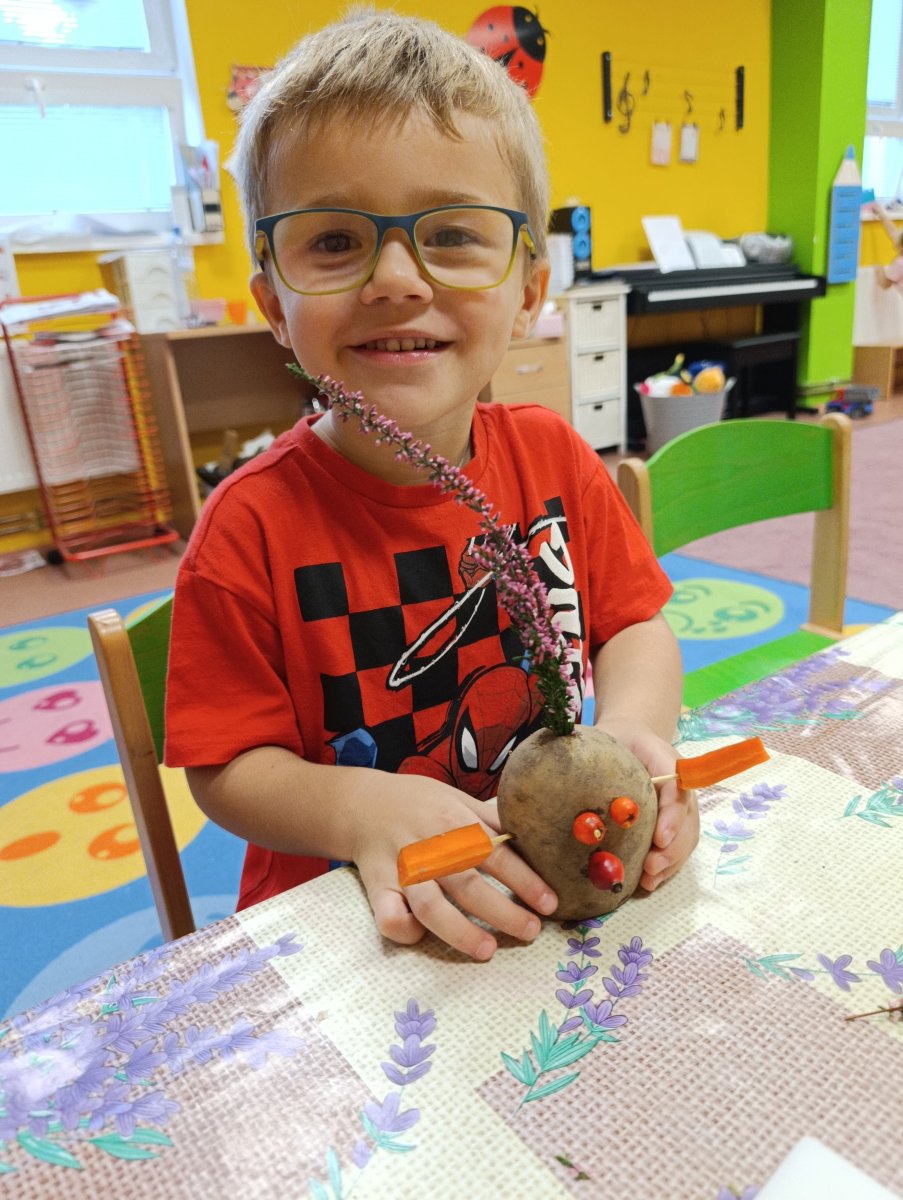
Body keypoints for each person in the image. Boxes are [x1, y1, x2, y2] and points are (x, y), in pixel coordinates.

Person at [164, 8, 698, 961]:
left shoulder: (554, 456)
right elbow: (226, 766)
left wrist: (632, 739)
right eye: (334, 241)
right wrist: (359, 809)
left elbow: (634, 627)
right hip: (356, 926)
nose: (396, 279)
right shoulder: (248, 526)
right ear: (274, 305)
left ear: (527, 292)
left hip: (556, 887)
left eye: (451, 234)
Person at [870, 200, 903, 291]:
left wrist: (879, 270)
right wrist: (881, 213)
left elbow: (885, 284)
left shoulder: (899, 264)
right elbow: (893, 232)